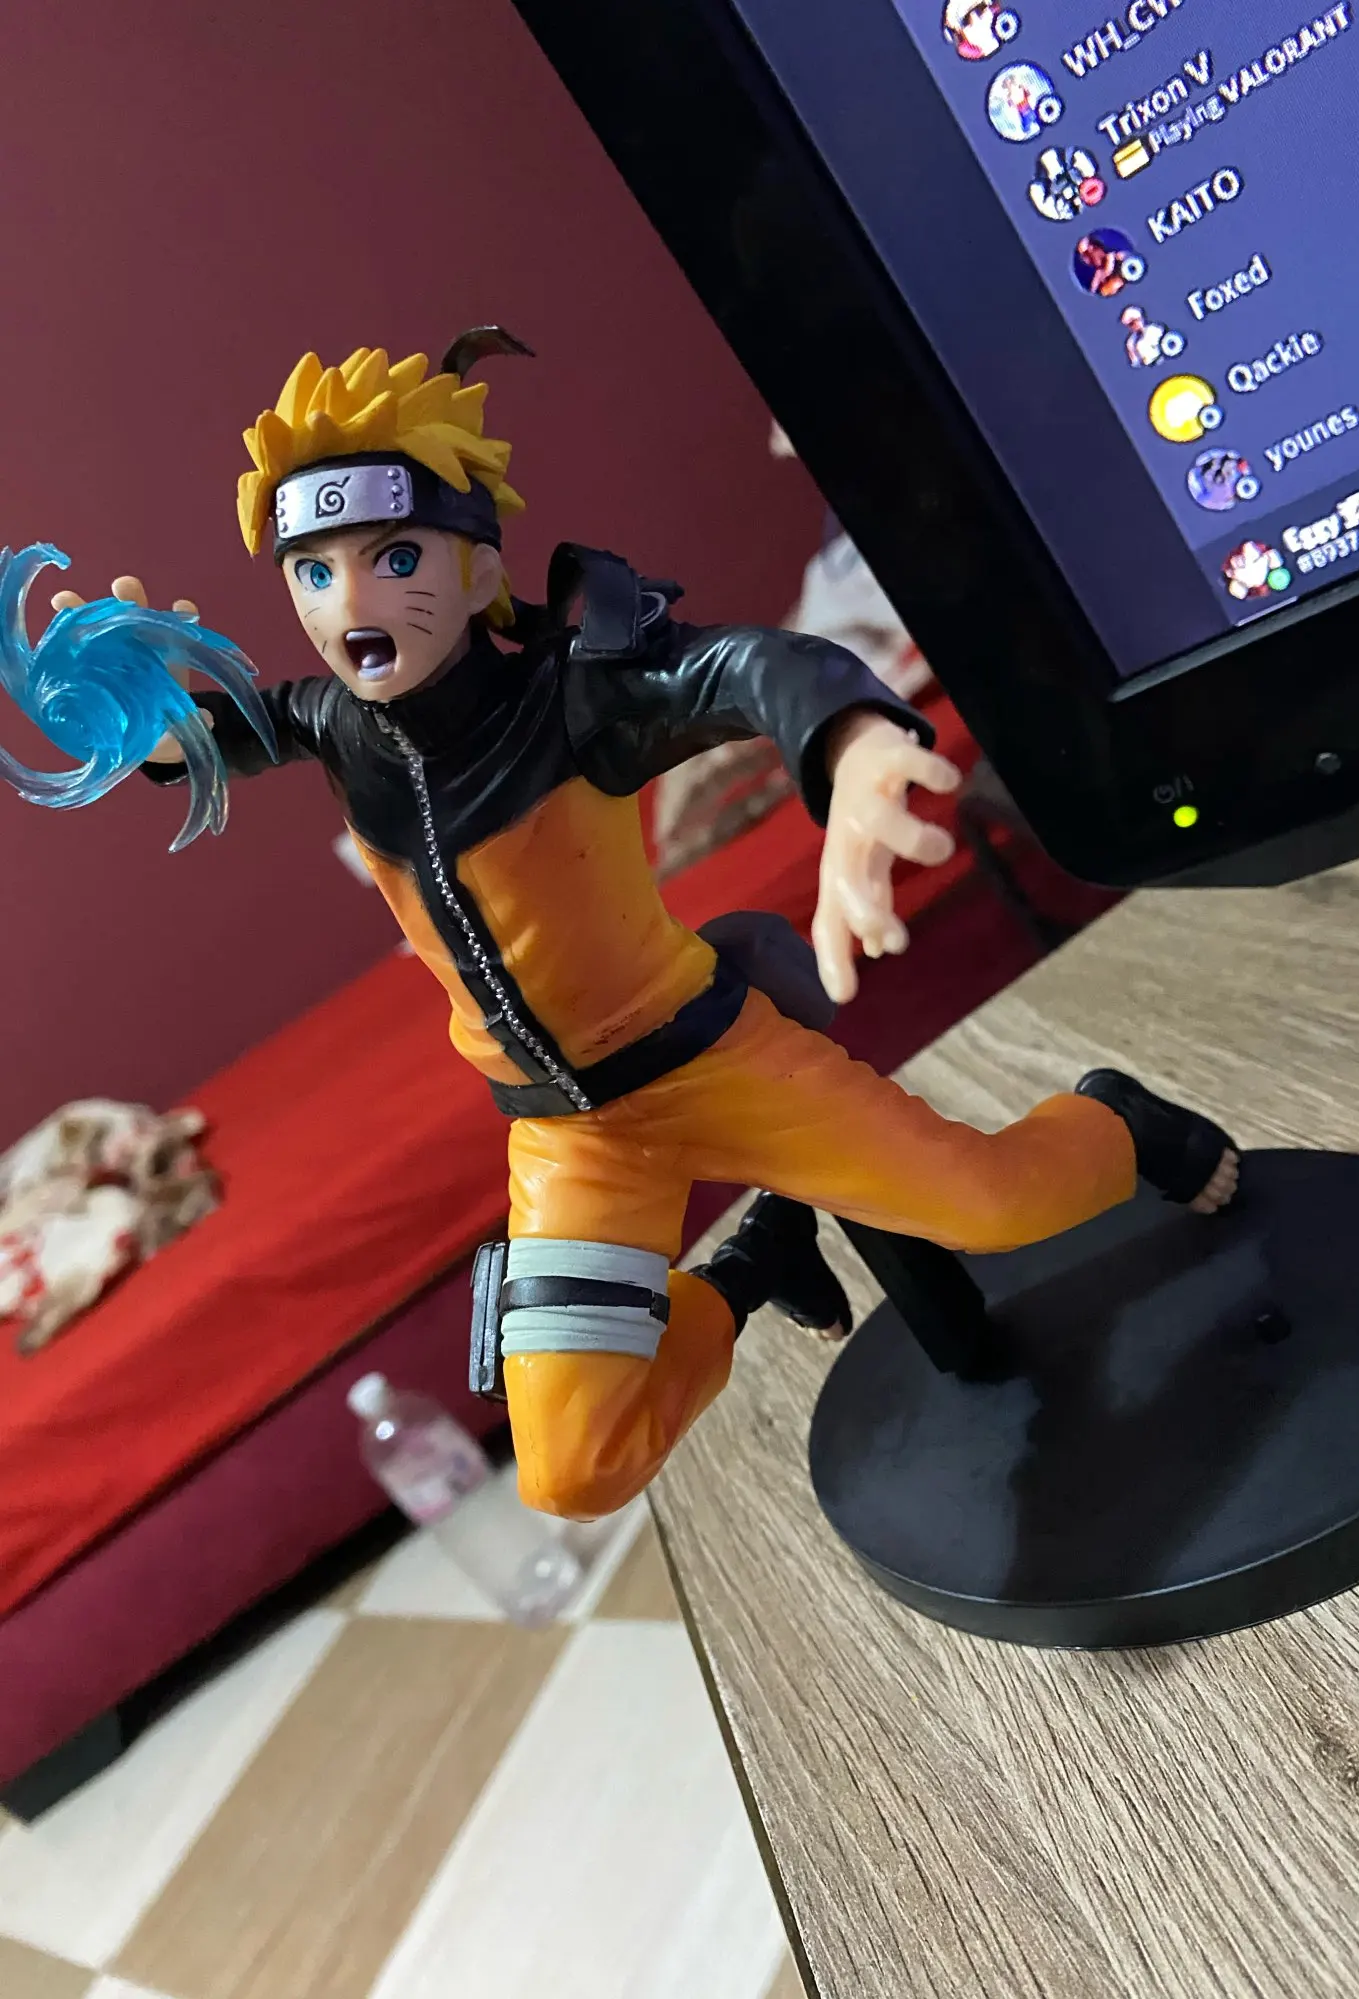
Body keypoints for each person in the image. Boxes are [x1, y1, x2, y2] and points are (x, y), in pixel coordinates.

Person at [62, 334, 1238, 1518]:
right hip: (567, 1135)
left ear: (478, 573)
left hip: (707, 1058)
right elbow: (203, 735)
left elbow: (746, 668)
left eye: (396, 557)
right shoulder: (334, 724)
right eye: (313, 573)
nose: (351, 602)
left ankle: (1117, 1120)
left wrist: (850, 740)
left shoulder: (572, 700)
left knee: (999, 1203)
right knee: (574, 1467)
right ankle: (755, 1263)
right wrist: (112, 703)